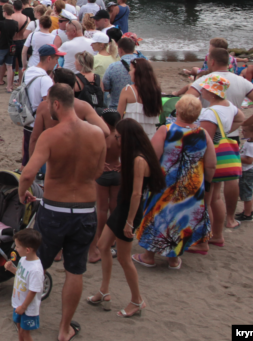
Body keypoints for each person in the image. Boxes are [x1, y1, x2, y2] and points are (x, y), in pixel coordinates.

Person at [20, 84, 105, 341]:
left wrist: (22, 193)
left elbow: (27, 173)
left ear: (56, 104)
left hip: (55, 210)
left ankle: (24, 320)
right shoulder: (98, 134)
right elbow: (98, 172)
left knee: (36, 266)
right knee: (75, 270)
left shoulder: (51, 135)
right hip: (86, 211)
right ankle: (64, 328)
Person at [87, 118, 164, 318]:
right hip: (123, 207)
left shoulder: (139, 160)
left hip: (128, 210)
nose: (116, 139)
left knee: (123, 258)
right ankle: (104, 290)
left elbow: (137, 194)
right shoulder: (134, 156)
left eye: (118, 137)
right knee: (103, 246)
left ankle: (137, 300)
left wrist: (130, 222)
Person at [134, 95, 214, 265]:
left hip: (166, 182)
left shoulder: (166, 130)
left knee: (159, 214)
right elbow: (211, 164)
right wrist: (206, 183)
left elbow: (153, 158)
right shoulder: (203, 134)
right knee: (181, 218)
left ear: (177, 111)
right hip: (192, 184)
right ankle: (174, 258)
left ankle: (149, 256)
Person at [192, 74, 244, 251]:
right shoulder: (229, 106)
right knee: (216, 197)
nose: (202, 91)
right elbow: (241, 118)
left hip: (211, 159)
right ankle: (217, 235)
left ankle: (204, 240)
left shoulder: (210, 112)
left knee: (205, 201)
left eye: (204, 89)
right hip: (224, 157)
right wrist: (226, 132)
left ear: (211, 93)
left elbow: (204, 141)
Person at [28, 69, 111, 166]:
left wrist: (32, 163)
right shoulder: (83, 106)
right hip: (75, 156)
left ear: (57, 84)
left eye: (52, 81)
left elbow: (34, 138)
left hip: (50, 156)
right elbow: (105, 131)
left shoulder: (44, 106)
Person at [178, 48, 253, 130]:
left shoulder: (205, 80)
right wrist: (245, 123)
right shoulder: (243, 81)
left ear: (212, 62)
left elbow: (184, 103)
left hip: (208, 130)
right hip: (232, 133)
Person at [19, 45, 61, 167]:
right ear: (49, 59)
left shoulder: (28, 72)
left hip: (28, 118)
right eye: (56, 59)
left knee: (27, 153)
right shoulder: (45, 79)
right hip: (38, 123)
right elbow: (48, 105)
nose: (56, 63)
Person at [89, 110, 121, 264]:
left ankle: (101, 236)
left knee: (101, 208)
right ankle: (113, 237)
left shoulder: (103, 136)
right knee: (114, 206)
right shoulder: (120, 137)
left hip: (103, 174)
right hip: (117, 172)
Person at [4, 228, 44, 341]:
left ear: (27, 250)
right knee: (19, 328)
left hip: (28, 308)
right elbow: (20, 275)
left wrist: (24, 307)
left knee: (25, 332)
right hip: (19, 303)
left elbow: (33, 290)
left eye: (17, 246)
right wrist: (11, 268)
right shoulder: (23, 260)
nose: (15, 249)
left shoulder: (36, 270)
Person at [116, 58, 162, 138]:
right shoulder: (156, 90)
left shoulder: (128, 90)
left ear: (137, 72)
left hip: (131, 135)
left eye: (131, 70)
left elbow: (118, 116)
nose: (129, 73)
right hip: (150, 136)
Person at [102, 37, 140, 109]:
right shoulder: (143, 65)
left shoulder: (113, 67)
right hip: (137, 107)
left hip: (116, 107)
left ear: (120, 50)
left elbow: (105, 87)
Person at [0, 3, 19, 93]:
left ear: (5, 12)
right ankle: (9, 86)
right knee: (9, 66)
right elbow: (15, 35)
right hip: (11, 45)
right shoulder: (15, 23)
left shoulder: (1, 23)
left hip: (2, 45)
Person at [236, 121, 253, 221]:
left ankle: (247, 214)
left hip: (247, 171)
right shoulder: (252, 141)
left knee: (246, 193)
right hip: (248, 170)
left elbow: (249, 160)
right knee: (248, 191)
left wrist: (236, 156)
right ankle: (248, 211)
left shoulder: (252, 146)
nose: (243, 132)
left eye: (245, 131)